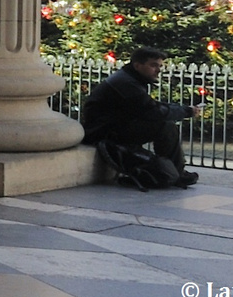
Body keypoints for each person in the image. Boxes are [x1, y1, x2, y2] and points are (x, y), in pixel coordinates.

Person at [81, 46, 201, 189]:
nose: (158, 70)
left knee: (164, 124)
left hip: (114, 126)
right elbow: (153, 111)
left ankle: (175, 171)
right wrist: (186, 112)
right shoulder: (126, 83)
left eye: (160, 66)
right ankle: (177, 173)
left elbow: (150, 106)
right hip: (105, 132)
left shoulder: (128, 78)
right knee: (165, 126)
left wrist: (184, 110)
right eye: (153, 65)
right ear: (137, 65)